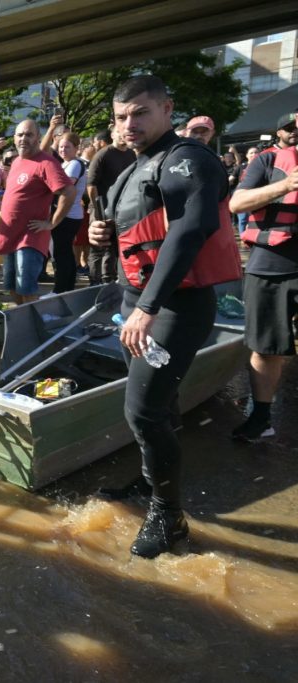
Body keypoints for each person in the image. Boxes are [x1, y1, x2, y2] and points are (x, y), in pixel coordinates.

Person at [89, 75, 241, 559]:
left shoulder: (188, 159)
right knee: (159, 406)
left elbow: (189, 229)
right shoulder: (136, 166)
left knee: (143, 410)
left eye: (140, 113)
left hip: (173, 307)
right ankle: (150, 477)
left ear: (167, 109)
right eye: (120, 117)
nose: (128, 124)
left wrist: (148, 309)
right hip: (136, 302)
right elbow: (133, 228)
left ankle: (168, 515)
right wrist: (98, 232)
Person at [227, 111, 298, 442]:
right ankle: (261, 417)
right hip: (270, 265)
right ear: (279, 129)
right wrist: (286, 184)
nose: (294, 131)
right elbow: (237, 203)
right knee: (265, 346)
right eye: (288, 125)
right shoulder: (265, 162)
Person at [0, 119, 74, 304]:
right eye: (20, 134)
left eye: (29, 135)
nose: (24, 138)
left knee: (27, 289)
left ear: (38, 138)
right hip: (10, 236)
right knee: (13, 289)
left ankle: (36, 329)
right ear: (14, 138)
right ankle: (23, 326)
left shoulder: (47, 163)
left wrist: (52, 222)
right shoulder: (16, 161)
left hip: (30, 238)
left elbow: (69, 192)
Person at [87, 127, 136, 284]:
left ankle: (111, 280)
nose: (122, 135)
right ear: (113, 135)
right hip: (102, 208)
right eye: (118, 132)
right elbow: (91, 186)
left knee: (116, 247)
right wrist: (98, 210)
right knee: (99, 246)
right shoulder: (103, 154)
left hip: (122, 209)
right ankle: (95, 282)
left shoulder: (131, 154)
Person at [52, 131, 88, 293]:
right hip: (68, 214)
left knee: (61, 253)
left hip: (68, 215)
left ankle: (60, 289)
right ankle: (67, 287)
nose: (63, 150)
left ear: (76, 148)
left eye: (67, 146)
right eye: (60, 147)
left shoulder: (74, 164)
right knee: (64, 252)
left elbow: (63, 187)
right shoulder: (65, 164)